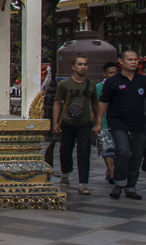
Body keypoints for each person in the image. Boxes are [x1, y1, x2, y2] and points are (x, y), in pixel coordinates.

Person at [94, 50, 146, 200]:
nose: (134, 62)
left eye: (135, 60)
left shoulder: (143, 80)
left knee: (136, 155)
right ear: (121, 61)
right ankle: (119, 183)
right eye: (130, 60)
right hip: (118, 123)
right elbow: (103, 102)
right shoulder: (113, 82)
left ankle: (131, 187)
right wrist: (99, 122)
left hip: (138, 123)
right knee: (123, 151)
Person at [53, 55, 98, 194]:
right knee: (66, 150)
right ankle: (65, 174)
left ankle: (83, 183)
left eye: (85, 64)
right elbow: (57, 102)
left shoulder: (91, 84)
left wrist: (98, 121)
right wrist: (55, 122)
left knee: (84, 151)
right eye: (80, 64)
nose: (83, 67)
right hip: (68, 123)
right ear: (73, 67)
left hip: (84, 123)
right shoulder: (64, 84)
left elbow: (95, 103)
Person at [96, 61, 118, 185]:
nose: (113, 75)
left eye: (115, 72)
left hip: (118, 122)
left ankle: (110, 169)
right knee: (108, 148)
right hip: (104, 122)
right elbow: (94, 105)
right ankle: (111, 172)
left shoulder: (121, 85)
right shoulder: (99, 87)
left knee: (118, 148)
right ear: (104, 74)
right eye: (110, 73)